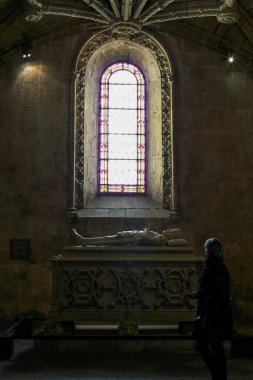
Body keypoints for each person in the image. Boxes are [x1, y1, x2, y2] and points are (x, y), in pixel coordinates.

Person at [188, 238, 233, 380]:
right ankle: (221, 376)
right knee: (217, 347)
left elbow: (210, 290)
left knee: (203, 346)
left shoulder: (211, 268)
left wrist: (197, 294)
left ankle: (218, 376)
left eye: (206, 249)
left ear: (209, 250)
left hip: (212, 315)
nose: (205, 251)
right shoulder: (221, 267)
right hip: (220, 313)